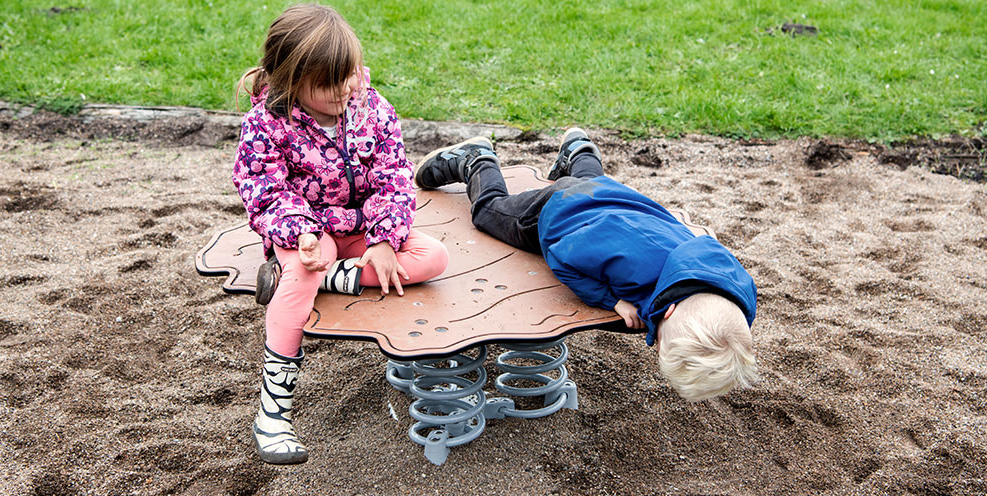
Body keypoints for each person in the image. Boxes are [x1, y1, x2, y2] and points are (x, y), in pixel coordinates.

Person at [233, 4, 448, 465]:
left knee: (433, 258)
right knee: (300, 276)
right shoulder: (267, 124)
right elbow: (264, 189)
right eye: (329, 83)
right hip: (310, 233)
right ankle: (273, 412)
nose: (346, 88)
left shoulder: (373, 108)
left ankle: (333, 277)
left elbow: (395, 178)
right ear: (292, 80)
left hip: (364, 227)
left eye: (348, 73)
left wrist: (384, 241)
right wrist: (302, 235)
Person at [413, 128, 758, 402]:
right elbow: (562, 256)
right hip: (558, 211)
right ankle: (476, 159)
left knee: (590, 184)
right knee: (488, 212)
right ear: (668, 311)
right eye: (661, 343)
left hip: (617, 197)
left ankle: (580, 150)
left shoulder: (733, 291)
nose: (656, 343)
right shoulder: (630, 268)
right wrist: (613, 301)